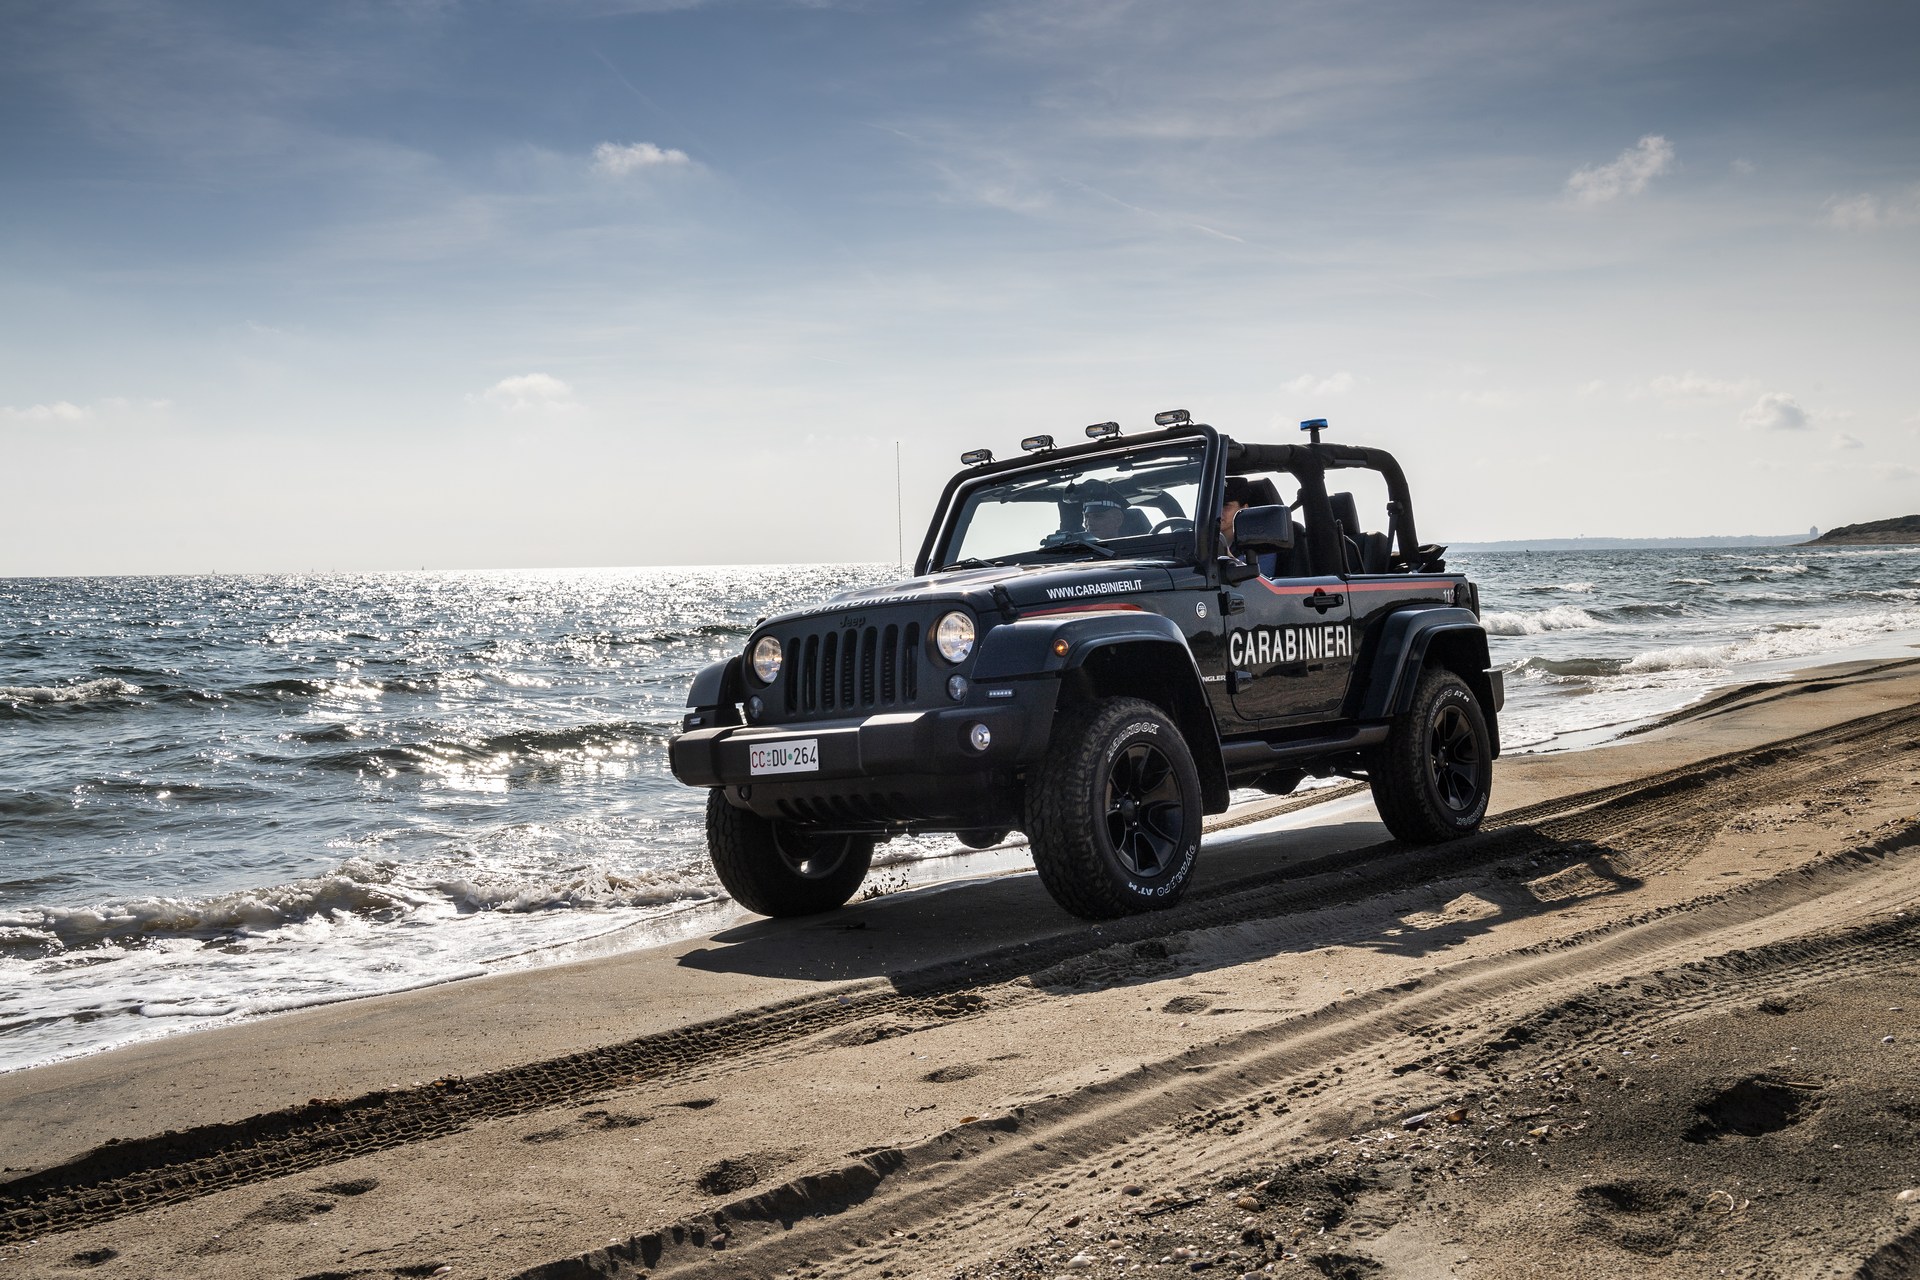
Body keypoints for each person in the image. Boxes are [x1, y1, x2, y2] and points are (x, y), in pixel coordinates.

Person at [1220, 476, 1281, 577]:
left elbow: (1257, 586)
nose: (1218, 511)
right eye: (1215, 505)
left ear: (1244, 509)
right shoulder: (1203, 545)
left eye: (1226, 505)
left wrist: (1227, 555)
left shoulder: (1261, 544)